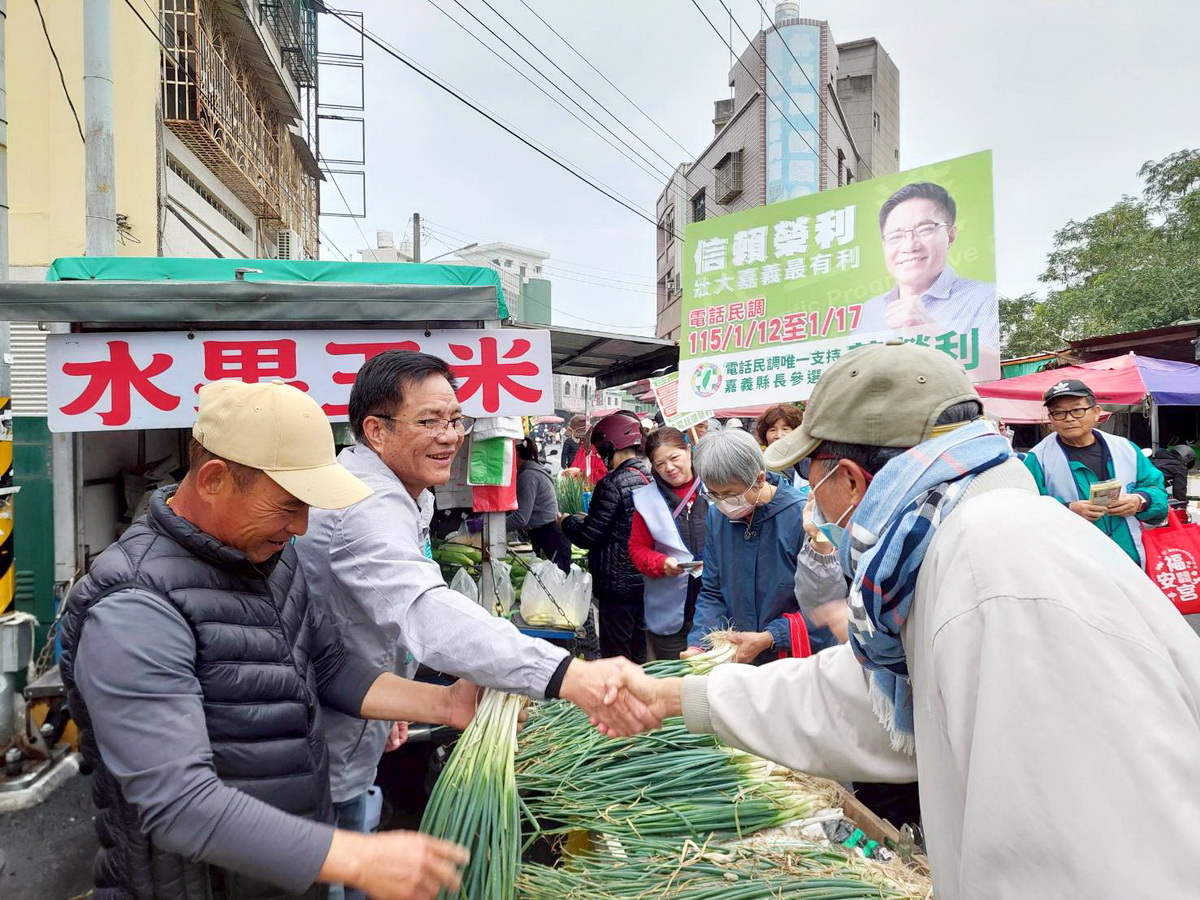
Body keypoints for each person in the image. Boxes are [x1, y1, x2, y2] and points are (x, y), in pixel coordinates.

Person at [602, 341, 1200, 898]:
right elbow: (872, 696)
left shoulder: (993, 570)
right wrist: (678, 696)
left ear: (850, 478)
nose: (810, 497)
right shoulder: (959, 540)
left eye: (810, 475)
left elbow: (1063, 840)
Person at [59, 380, 482, 900]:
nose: (301, 526)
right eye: (287, 506)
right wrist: (356, 857)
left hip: (286, 869)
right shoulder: (134, 606)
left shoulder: (269, 558)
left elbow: (328, 666)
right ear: (214, 479)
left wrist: (444, 703)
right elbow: (178, 804)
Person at [295, 352, 654, 879]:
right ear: (375, 430)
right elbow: (423, 610)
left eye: (455, 419)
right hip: (321, 747)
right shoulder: (366, 504)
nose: (450, 436)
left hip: (356, 713)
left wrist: (393, 698)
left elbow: (375, 612)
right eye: (429, 421)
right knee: (337, 865)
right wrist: (567, 675)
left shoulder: (397, 492)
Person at [685, 429, 835, 664]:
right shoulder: (717, 517)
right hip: (740, 657)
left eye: (729, 494)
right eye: (714, 495)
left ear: (760, 479)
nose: (722, 503)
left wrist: (770, 637)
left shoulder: (803, 519)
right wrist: (699, 644)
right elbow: (713, 590)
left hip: (792, 662)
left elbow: (828, 604)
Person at [1023, 378, 1168, 568]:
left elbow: (1156, 491)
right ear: (1050, 419)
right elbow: (1026, 509)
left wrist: (1140, 501)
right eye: (1058, 413)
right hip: (1072, 564)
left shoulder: (1125, 448)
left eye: (1077, 410)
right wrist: (1067, 510)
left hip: (1129, 559)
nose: (1069, 418)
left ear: (1097, 412)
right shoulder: (1036, 459)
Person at [854, 182, 998, 347]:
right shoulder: (871, 310)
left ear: (950, 235)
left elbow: (1000, 362)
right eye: (895, 236)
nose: (910, 246)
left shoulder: (986, 298)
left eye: (924, 230)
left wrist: (931, 330)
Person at [561, 411, 653, 662]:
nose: (602, 458)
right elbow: (623, 523)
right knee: (638, 649)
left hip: (616, 585)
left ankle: (620, 689)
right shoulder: (647, 477)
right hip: (642, 581)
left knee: (616, 654)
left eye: (602, 451)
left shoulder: (612, 483)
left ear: (611, 447)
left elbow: (588, 536)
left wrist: (566, 521)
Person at [628, 427, 709, 660]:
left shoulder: (716, 486)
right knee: (674, 674)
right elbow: (637, 548)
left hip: (716, 607)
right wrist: (660, 563)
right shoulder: (646, 499)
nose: (670, 468)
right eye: (660, 464)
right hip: (670, 610)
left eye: (674, 458)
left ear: (688, 451)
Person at [510, 434, 572, 573]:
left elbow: (521, 518)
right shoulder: (529, 472)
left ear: (516, 453)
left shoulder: (528, 476)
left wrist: (493, 527)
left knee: (557, 581)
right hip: (546, 534)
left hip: (551, 537)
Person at [757, 403, 808, 490]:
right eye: (772, 430)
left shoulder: (808, 463)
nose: (779, 435)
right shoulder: (760, 467)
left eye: (785, 429)